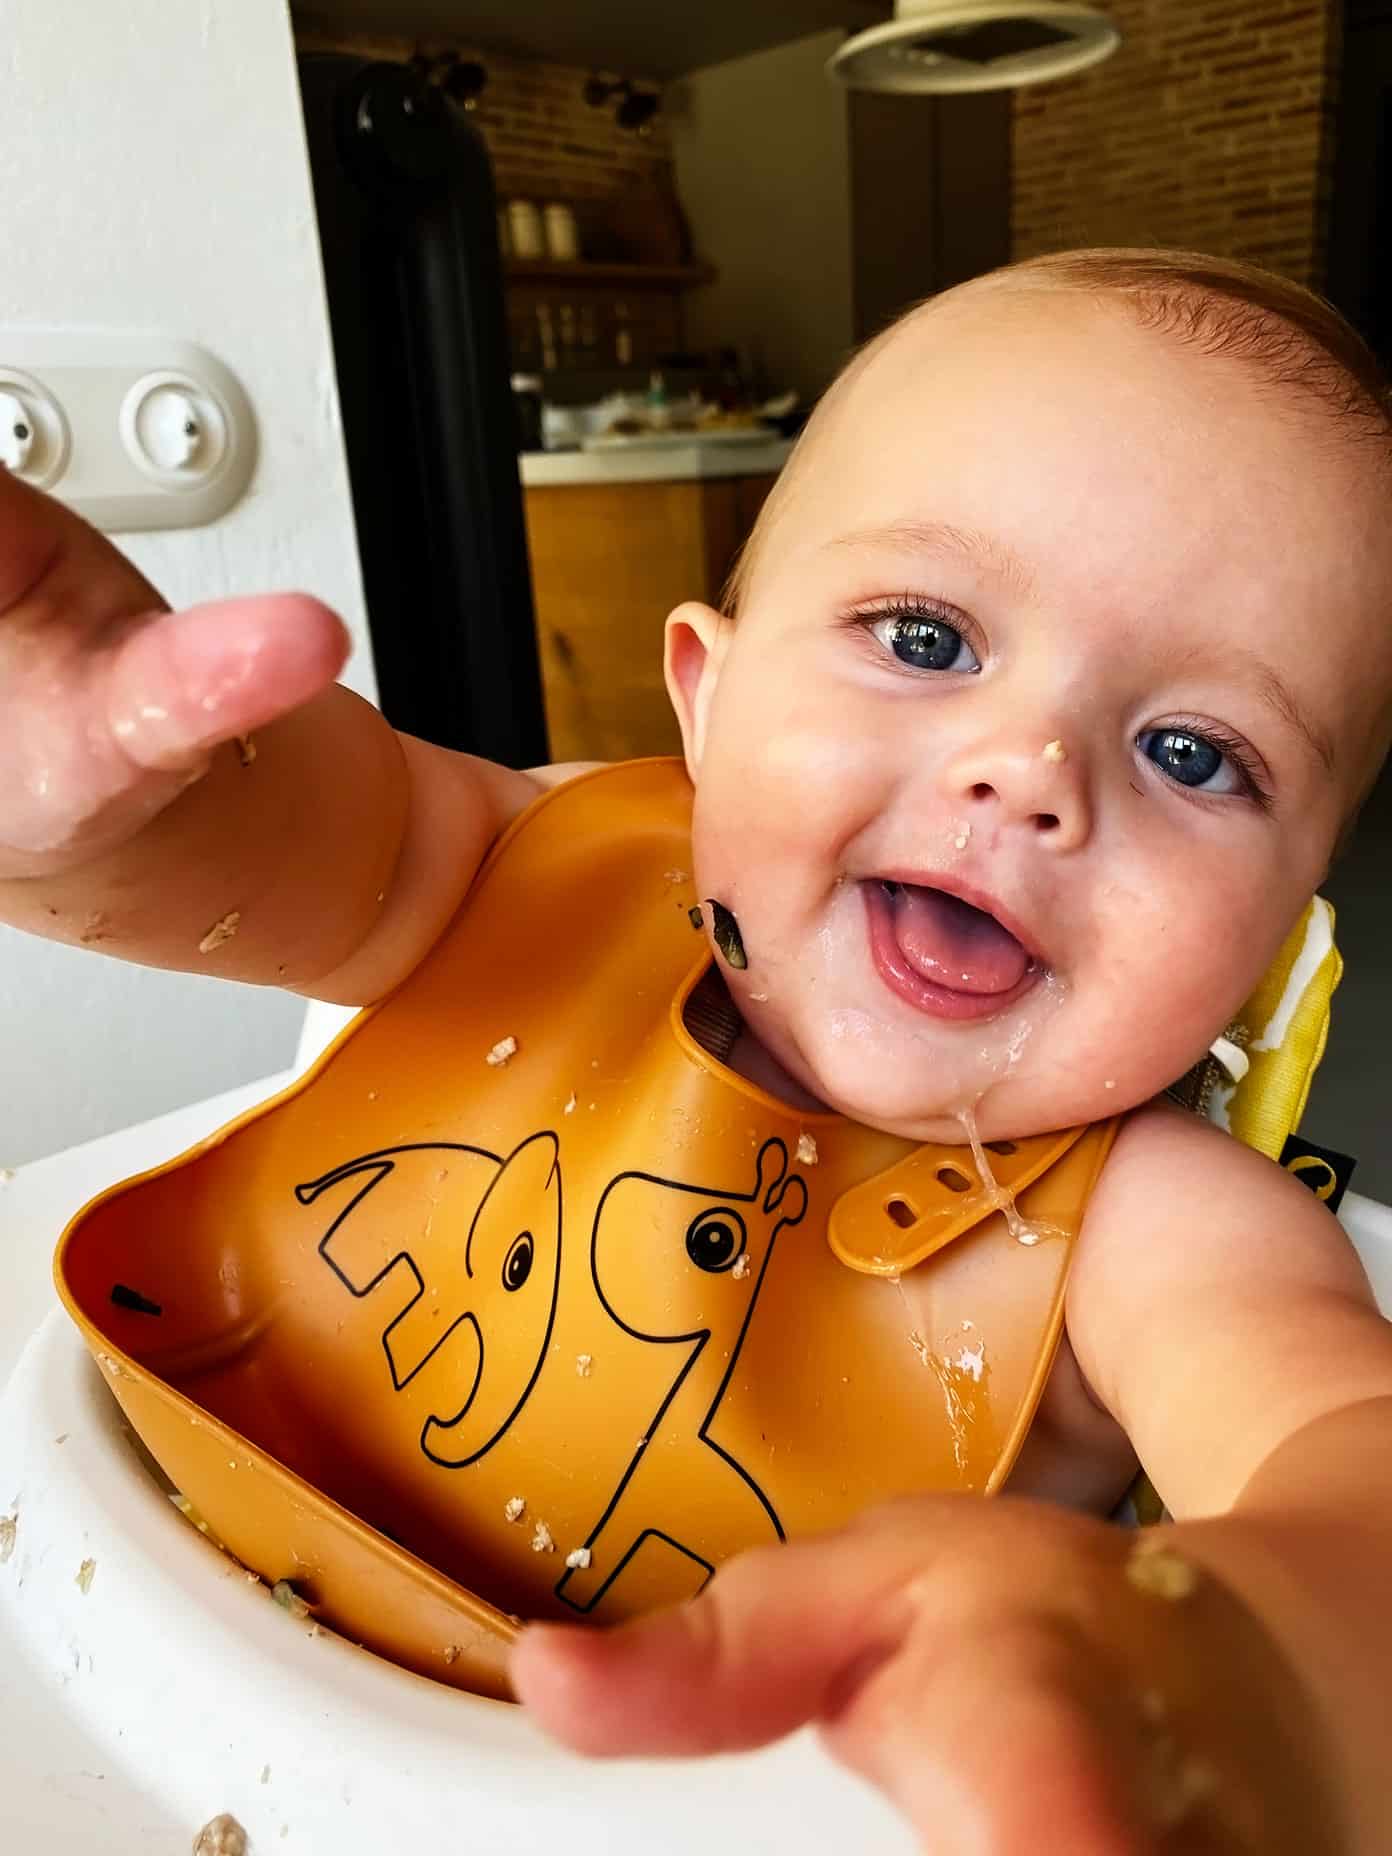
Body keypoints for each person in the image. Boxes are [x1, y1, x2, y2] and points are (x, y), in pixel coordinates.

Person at [5, 248, 1392, 1851]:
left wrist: (1260, 1665)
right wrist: (91, 814)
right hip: (141, 1712)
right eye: (928, 639)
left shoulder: (1161, 1235)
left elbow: (1339, 1452)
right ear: (706, 700)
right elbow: (260, 848)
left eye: (1192, 751)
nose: (1033, 773)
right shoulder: (520, 873)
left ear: (1281, 923)